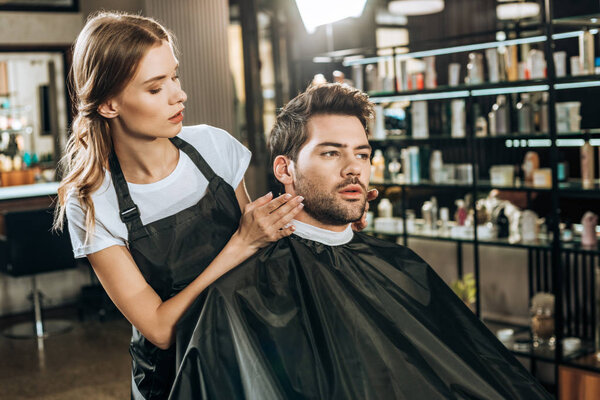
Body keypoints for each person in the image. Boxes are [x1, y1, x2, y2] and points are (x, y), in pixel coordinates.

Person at [169, 83, 552, 400]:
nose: (353, 167)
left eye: (362, 154)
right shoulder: (244, 289)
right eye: (331, 152)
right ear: (285, 168)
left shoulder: (400, 265)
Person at [53, 12, 309, 399]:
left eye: (174, 76)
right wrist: (240, 243)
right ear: (109, 105)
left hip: (250, 350)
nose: (179, 95)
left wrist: (331, 216)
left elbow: (263, 249)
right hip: (172, 378)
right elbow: (159, 327)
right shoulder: (91, 203)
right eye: (156, 88)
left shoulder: (213, 147)